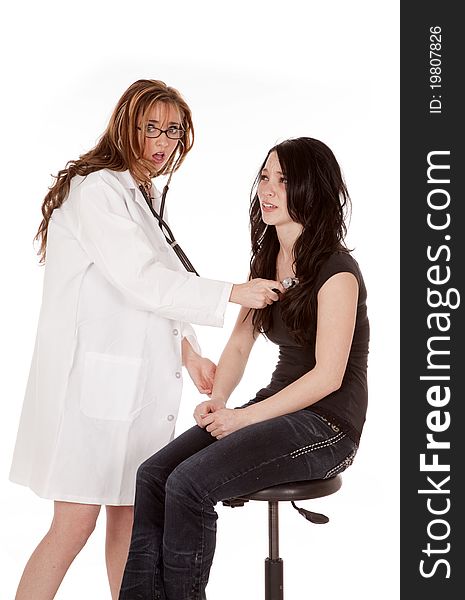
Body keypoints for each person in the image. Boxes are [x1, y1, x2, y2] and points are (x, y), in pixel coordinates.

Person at [9, 79, 284, 600]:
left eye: (172, 132)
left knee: (130, 528)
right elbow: (140, 278)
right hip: (90, 396)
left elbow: (147, 293)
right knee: (73, 527)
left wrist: (192, 354)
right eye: (150, 128)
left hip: (128, 394)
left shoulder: (141, 194)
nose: (162, 142)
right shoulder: (97, 192)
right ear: (126, 127)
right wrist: (235, 293)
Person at [118, 136, 370, 600]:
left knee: (189, 485)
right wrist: (217, 402)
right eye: (265, 177)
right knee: (154, 476)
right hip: (274, 411)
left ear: (313, 189)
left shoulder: (338, 271)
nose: (268, 190)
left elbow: (327, 376)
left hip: (327, 424)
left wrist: (243, 418)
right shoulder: (268, 259)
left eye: (284, 180)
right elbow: (239, 342)